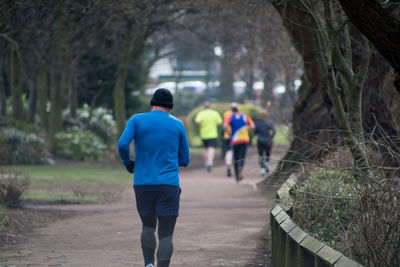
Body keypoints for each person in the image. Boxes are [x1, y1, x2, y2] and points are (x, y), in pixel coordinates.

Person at [118, 88, 190, 267]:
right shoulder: (178, 124)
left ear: (152, 104)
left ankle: (148, 264)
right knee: (166, 234)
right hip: (168, 185)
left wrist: (128, 162)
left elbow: (122, 144)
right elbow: (185, 160)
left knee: (148, 226)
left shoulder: (136, 120)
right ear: (170, 107)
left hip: (143, 183)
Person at [223, 105, 255, 182]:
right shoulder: (244, 116)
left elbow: (225, 125)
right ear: (239, 110)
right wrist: (246, 128)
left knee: (236, 157)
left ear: (232, 110)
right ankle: (240, 167)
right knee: (242, 156)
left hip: (234, 140)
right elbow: (252, 126)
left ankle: (237, 176)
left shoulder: (230, 117)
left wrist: (228, 132)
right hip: (244, 140)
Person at [194, 101, 223, 172]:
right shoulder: (215, 113)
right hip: (213, 134)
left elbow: (197, 121)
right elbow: (220, 122)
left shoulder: (201, 113)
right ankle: (210, 162)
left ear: (204, 107)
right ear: (210, 106)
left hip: (204, 134)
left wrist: (200, 126)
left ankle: (206, 163)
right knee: (211, 149)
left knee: (205, 149)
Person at [254, 109, 276, 176]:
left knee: (261, 155)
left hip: (260, 140)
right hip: (268, 140)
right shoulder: (269, 123)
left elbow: (255, 132)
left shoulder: (257, 123)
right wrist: (271, 137)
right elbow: (274, 131)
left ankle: (262, 170)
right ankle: (266, 164)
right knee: (268, 154)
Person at [222, 103, 238, 177]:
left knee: (228, 151)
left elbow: (224, 124)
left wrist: (227, 133)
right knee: (234, 152)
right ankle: (237, 168)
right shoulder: (238, 115)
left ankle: (228, 165)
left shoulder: (226, 114)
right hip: (235, 137)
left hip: (227, 136)